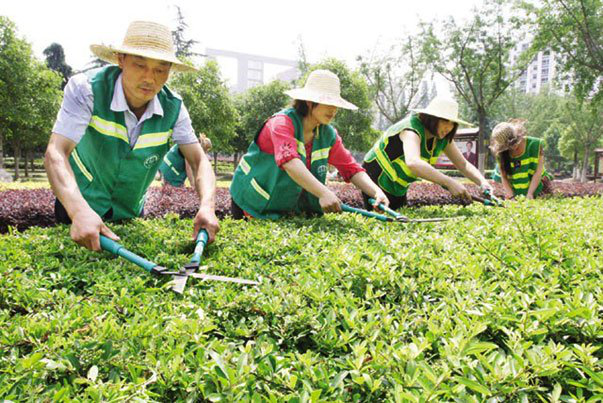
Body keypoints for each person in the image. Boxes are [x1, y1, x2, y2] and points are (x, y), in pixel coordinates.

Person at [44, 21, 219, 251]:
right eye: (139, 65)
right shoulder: (86, 90)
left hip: (130, 211)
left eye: (160, 69)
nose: (150, 78)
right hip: (79, 204)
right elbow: (56, 152)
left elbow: (198, 161)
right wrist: (78, 211)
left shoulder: (173, 107)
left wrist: (207, 205)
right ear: (121, 60)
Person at [229, 69, 389, 219]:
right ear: (309, 101)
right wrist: (323, 193)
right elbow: (290, 162)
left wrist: (376, 192)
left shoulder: (328, 135)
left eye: (336, 105)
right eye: (327, 103)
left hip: (283, 208)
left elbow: (351, 169)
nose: (333, 110)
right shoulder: (281, 123)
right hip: (252, 201)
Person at [363, 97, 493, 209]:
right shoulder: (411, 129)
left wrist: (483, 182)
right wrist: (449, 182)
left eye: (453, 123)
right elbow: (413, 163)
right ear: (432, 118)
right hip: (375, 177)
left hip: (398, 186)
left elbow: (463, 165)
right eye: (444, 120)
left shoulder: (442, 138)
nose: (449, 127)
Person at [490, 119, 552, 199]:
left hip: (538, 187)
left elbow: (538, 172)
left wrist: (530, 193)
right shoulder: (501, 154)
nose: (513, 147)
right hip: (515, 191)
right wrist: (512, 197)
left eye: (515, 143)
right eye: (509, 146)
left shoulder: (535, 145)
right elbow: (504, 177)